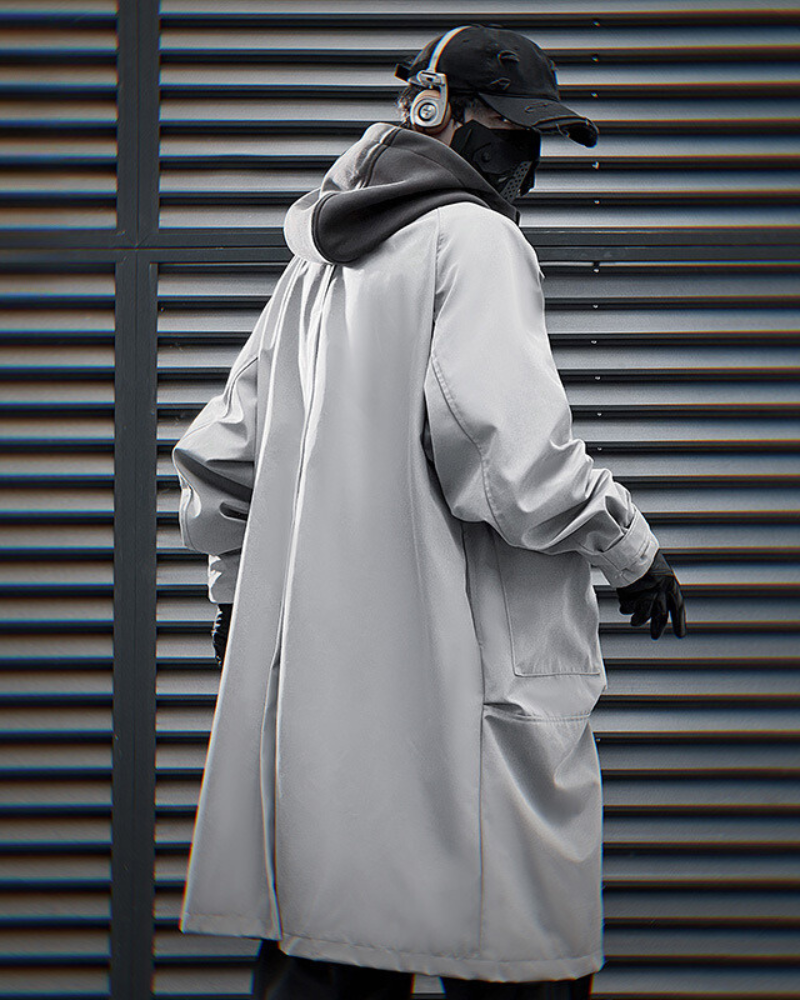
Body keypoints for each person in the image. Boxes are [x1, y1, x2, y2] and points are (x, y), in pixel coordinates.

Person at [172, 24, 687, 1000]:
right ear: (432, 111)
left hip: (333, 719)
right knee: (511, 956)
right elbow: (513, 463)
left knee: (335, 943)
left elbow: (222, 456)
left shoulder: (316, 267)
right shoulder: (475, 240)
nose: (523, 162)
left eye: (537, 139)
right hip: (467, 702)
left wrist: (234, 593)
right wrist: (630, 548)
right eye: (509, 131)